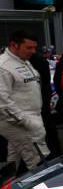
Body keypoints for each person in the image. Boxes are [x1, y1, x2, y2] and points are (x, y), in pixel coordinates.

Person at [0, 30, 49, 178]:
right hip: (19, 122)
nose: (33, 51)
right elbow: (2, 101)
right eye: (29, 48)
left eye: (35, 48)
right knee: (38, 159)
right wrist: (26, 121)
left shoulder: (23, 61)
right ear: (14, 45)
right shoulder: (3, 66)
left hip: (31, 117)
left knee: (12, 160)